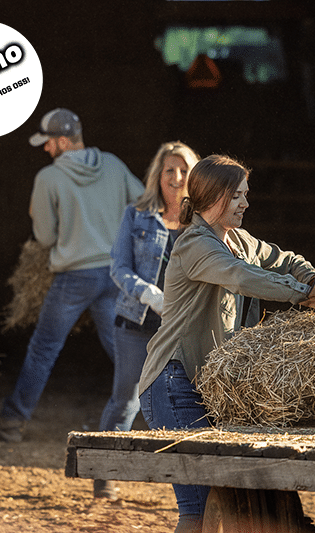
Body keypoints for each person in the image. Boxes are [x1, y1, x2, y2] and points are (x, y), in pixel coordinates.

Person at [138, 154, 315, 533]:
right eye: (237, 195)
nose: (245, 204)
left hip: (211, 386)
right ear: (213, 196)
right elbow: (241, 276)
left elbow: (283, 259)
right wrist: (303, 295)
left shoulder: (239, 239)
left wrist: (313, 280)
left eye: (245, 194)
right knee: (198, 508)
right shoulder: (194, 246)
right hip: (173, 382)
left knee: (226, 501)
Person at [0, 108, 144, 450]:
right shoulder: (112, 164)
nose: (46, 149)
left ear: (64, 141)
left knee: (43, 350)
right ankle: (175, 409)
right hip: (114, 273)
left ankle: (11, 421)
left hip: (75, 277)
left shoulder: (49, 179)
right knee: (124, 351)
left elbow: (46, 238)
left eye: (49, 143)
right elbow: (143, 202)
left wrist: (43, 217)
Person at [93, 141, 200, 501]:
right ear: (158, 175)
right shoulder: (136, 215)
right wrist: (149, 294)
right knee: (126, 401)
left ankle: (188, 486)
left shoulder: (204, 223)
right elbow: (118, 268)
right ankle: (103, 476)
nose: (176, 176)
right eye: (169, 169)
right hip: (137, 324)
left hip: (182, 328)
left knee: (184, 403)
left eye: (183, 169)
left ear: (194, 175)